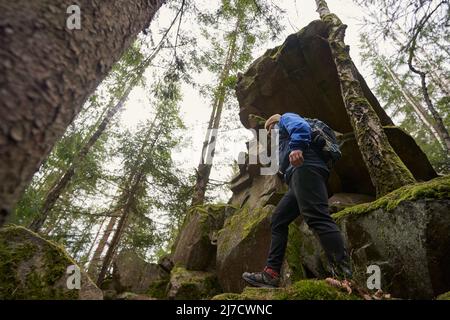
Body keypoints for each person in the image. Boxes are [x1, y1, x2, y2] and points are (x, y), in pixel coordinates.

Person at [242, 112, 352, 288]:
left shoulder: (286, 118)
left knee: (317, 217)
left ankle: (344, 276)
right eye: (269, 132)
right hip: (299, 175)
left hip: (305, 166)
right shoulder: (281, 139)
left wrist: (297, 147)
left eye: (270, 129)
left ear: (273, 123)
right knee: (278, 219)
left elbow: (301, 128)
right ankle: (271, 274)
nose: (271, 133)